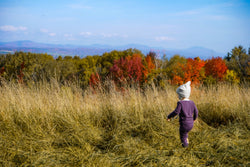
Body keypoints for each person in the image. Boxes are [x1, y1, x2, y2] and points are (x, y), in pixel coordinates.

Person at [167, 81, 198, 147]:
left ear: (181, 95)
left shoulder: (180, 103)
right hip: (191, 124)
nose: (178, 96)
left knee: (182, 136)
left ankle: (185, 148)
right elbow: (196, 112)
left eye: (178, 95)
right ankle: (187, 143)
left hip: (184, 124)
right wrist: (194, 119)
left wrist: (169, 116)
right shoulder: (192, 102)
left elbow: (176, 112)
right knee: (185, 134)